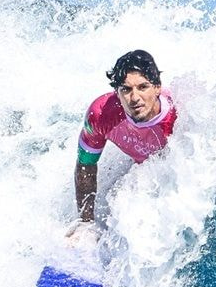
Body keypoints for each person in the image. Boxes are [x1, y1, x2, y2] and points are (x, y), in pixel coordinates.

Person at [69, 50, 177, 241]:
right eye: (126, 90)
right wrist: (85, 222)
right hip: (143, 170)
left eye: (143, 87)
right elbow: (86, 164)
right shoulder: (101, 115)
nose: (135, 98)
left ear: (157, 87)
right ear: (117, 93)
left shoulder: (177, 119)